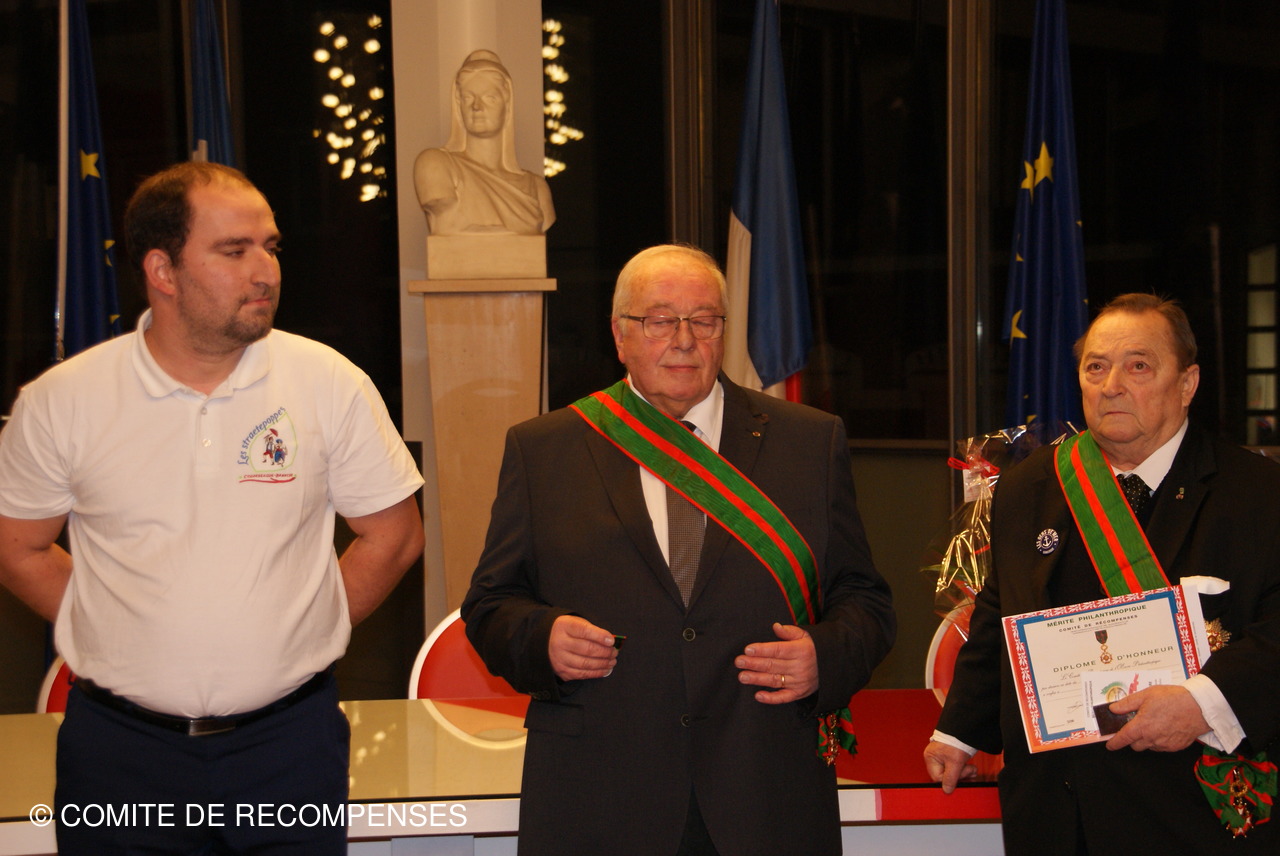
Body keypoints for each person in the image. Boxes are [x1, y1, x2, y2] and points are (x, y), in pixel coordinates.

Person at [0, 161, 425, 855]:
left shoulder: (329, 382)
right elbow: (17, 548)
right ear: (162, 270)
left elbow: (395, 537)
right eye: (234, 250)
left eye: (271, 247)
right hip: (118, 755)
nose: (265, 272)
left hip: (290, 747)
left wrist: (296, 627)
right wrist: (121, 623)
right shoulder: (63, 400)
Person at [462, 244, 895, 856]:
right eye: (660, 320)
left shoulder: (809, 441)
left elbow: (865, 601)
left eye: (705, 320)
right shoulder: (545, 449)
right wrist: (542, 639)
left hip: (766, 789)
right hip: (600, 795)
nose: (685, 340)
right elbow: (490, 605)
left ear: (723, 332)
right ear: (620, 336)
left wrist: (825, 657)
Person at [924, 294, 1280, 854]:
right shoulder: (1028, 486)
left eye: (1138, 366)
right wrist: (958, 733)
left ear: (1187, 384)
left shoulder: (1259, 494)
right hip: (1055, 814)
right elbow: (1000, 613)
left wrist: (1203, 703)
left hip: (1192, 811)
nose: (1111, 385)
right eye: (1096, 367)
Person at [413, 49, 555, 236]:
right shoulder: (435, 164)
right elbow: (443, 215)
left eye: (490, 98)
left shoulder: (537, 188)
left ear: (507, 105)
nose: (476, 107)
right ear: (458, 105)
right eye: (468, 98)